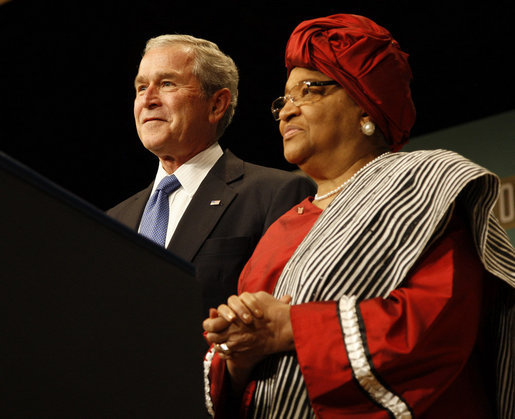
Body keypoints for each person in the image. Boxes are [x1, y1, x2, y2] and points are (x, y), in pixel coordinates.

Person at [202, 14, 515, 418]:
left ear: (364, 105)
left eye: (308, 91)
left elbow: (439, 323)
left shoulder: (424, 184)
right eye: (283, 100)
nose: (286, 112)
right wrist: (236, 354)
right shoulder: (279, 231)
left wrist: (291, 327)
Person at [108, 35, 315, 315]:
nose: (147, 99)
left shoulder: (275, 194)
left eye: (167, 83)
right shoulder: (113, 220)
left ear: (216, 105)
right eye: (141, 87)